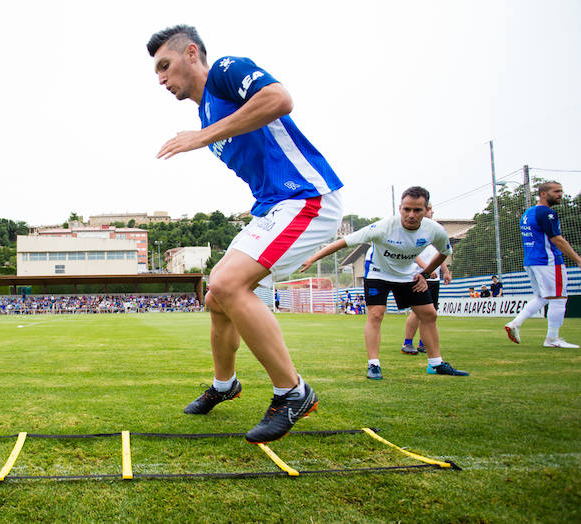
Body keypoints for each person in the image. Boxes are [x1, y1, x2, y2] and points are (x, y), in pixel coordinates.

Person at [147, 24, 344, 443]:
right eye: (157, 72)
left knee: (227, 281)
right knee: (216, 297)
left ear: (192, 54)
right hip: (271, 207)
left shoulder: (224, 71)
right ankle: (225, 385)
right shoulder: (204, 115)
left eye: (165, 66)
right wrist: (206, 132)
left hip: (306, 197)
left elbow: (279, 99)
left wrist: (203, 137)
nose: (161, 79)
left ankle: (293, 392)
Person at [301, 186, 469, 379]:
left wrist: (426, 273)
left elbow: (445, 252)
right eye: (407, 209)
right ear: (400, 208)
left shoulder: (434, 230)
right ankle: (373, 365)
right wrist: (313, 258)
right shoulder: (383, 227)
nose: (411, 215)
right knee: (376, 314)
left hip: (407, 275)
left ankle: (436, 363)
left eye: (417, 210)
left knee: (429, 314)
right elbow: (344, 242)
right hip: (378, 274)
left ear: (426, 210)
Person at [505, 181, 581, 348]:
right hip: (549, 261)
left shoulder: (528, 212)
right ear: (544, 194)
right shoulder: (547, 213)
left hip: (531, 261)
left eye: (561, 190)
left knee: (542, 297)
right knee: (559, 298)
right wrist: (578, 259)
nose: (560, 194)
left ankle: (515, 323)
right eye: (556, 191)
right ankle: (552, 339)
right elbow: (557, 240)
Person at [401, 206, 451, 355]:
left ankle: (423, 343)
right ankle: (407, 343)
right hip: (419, 276)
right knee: (417, 311)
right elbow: (411, 253)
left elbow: (440, 253)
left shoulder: (435, 230)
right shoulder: (413, 229)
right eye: (429, 210)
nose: (432, 213)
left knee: (430, 313)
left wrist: (445, 271)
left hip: (433, 278)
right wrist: (426, 270)